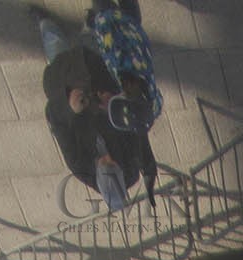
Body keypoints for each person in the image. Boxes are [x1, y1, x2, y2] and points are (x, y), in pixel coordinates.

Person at [33, 6, 156, 211]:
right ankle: (91, 25)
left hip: (69, 84)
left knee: (56, 51)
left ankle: (45, 23)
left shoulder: (79, 166)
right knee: (90, 46)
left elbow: (56, 122)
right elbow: (138, 126)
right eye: (113, 163)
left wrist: (70, 107)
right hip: (101, 80)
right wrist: (115, 102)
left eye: (103, 164)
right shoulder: (132, 167)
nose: (107, 158)